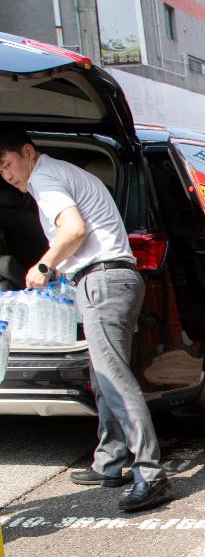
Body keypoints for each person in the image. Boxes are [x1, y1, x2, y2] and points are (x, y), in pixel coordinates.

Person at [0, 130, 171, 512]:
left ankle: (150, 474)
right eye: (0, 170)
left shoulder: (45, 178)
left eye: (7, 163)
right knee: (103, 376)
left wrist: (45, 265)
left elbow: (73, 229)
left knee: (115, 382)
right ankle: (109, 462)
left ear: (27, 152)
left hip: (103, 282)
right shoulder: (63, 173)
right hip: (114, 281)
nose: (6, 174)